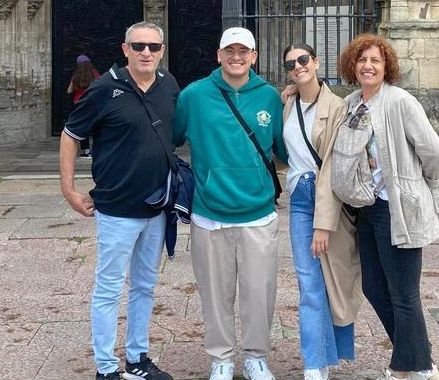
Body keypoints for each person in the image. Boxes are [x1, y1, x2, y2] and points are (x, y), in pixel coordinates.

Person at [60, 22, 178, 380]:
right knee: (109, 286)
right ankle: (106, 367)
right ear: (125, 48)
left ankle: (137, 358)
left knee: (145, 286)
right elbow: (70, 135)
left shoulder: (169, 84)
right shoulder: (102, 88)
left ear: (162, 50)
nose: (147, 52)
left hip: (157, 207)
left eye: (154, 47)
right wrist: (69, 189)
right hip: (116, 208)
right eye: (139, 46)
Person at [172, 27, 286, 380]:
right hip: (211, 214)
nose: (236, 57)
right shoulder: (194, 95)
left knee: (259, 292)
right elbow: (171, 138)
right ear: (218, 55)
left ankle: (255, 357)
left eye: (244, 51)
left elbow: (282, 150)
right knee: (215, 294)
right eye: (230, 51)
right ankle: (220, 358)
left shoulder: (269, 96)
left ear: (254, 56)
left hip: (258, 214)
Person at [335, 34, 439, 380]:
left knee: (404, 292)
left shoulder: (400, 102)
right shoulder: (352, 103)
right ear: (353, 66)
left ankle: (415, 367)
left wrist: (420, 186)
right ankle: (416, 357)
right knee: (372, 286)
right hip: (366, 209)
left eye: (375, 61)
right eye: (362, 60)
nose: (368, 66)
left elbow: (434, 153)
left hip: (398, 207)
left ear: (387, 68)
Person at [280, 43, 360, 380]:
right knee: (309, 282)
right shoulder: (287, 102)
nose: (298, 67)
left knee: (334, 279)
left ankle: (330, 355)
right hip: (299, 197)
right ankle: (315, 364)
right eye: (290, 64)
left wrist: (323, 224)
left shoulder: (337, 107)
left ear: (316, 62)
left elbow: (332, 166)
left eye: (303, 60)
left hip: (326, 198)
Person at [67, 54, 100, 157]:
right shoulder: (95, 74)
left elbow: (69, 91)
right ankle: (97, 149)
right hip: (93, 102)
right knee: (96, 126)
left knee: (83, 126)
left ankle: (86, 151)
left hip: (79, 102)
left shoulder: (76, 76)